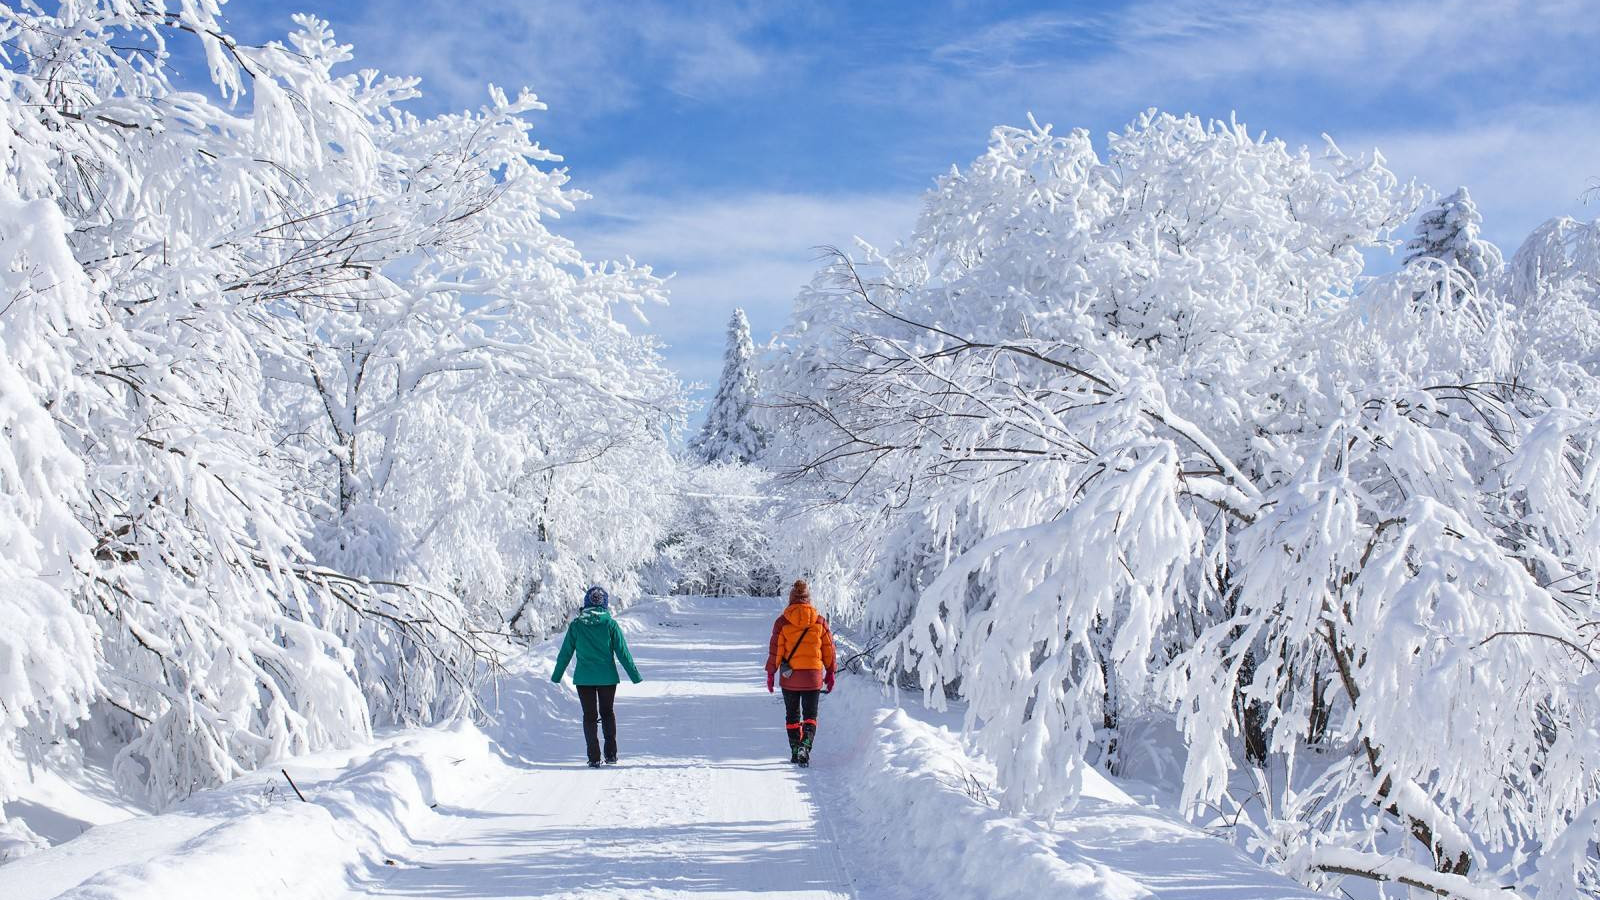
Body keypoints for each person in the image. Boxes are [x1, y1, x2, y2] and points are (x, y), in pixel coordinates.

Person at [551, 586, 642, 768]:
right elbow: (622, 652)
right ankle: (611, 755)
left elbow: (565, 653)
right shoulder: (610, 625)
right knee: (607, 713)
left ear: (586, 603)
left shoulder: (576, 625)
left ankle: (593, 757)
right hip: (607, 678)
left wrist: (557, 675)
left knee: (589, 716)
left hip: (584, 679)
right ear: (605, 604)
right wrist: (634, 675)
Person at [765, 579, 837, 766]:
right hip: (813, 677)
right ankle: (806, 744)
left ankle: (796, 749)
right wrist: (830, 672)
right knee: (810, 716)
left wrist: (771, 673)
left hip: (790, 678)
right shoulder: (820, 621)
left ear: (791, 599)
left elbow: (776, 651)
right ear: (808, 599)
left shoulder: (782, 622)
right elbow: (829, 650)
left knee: (792, 715)